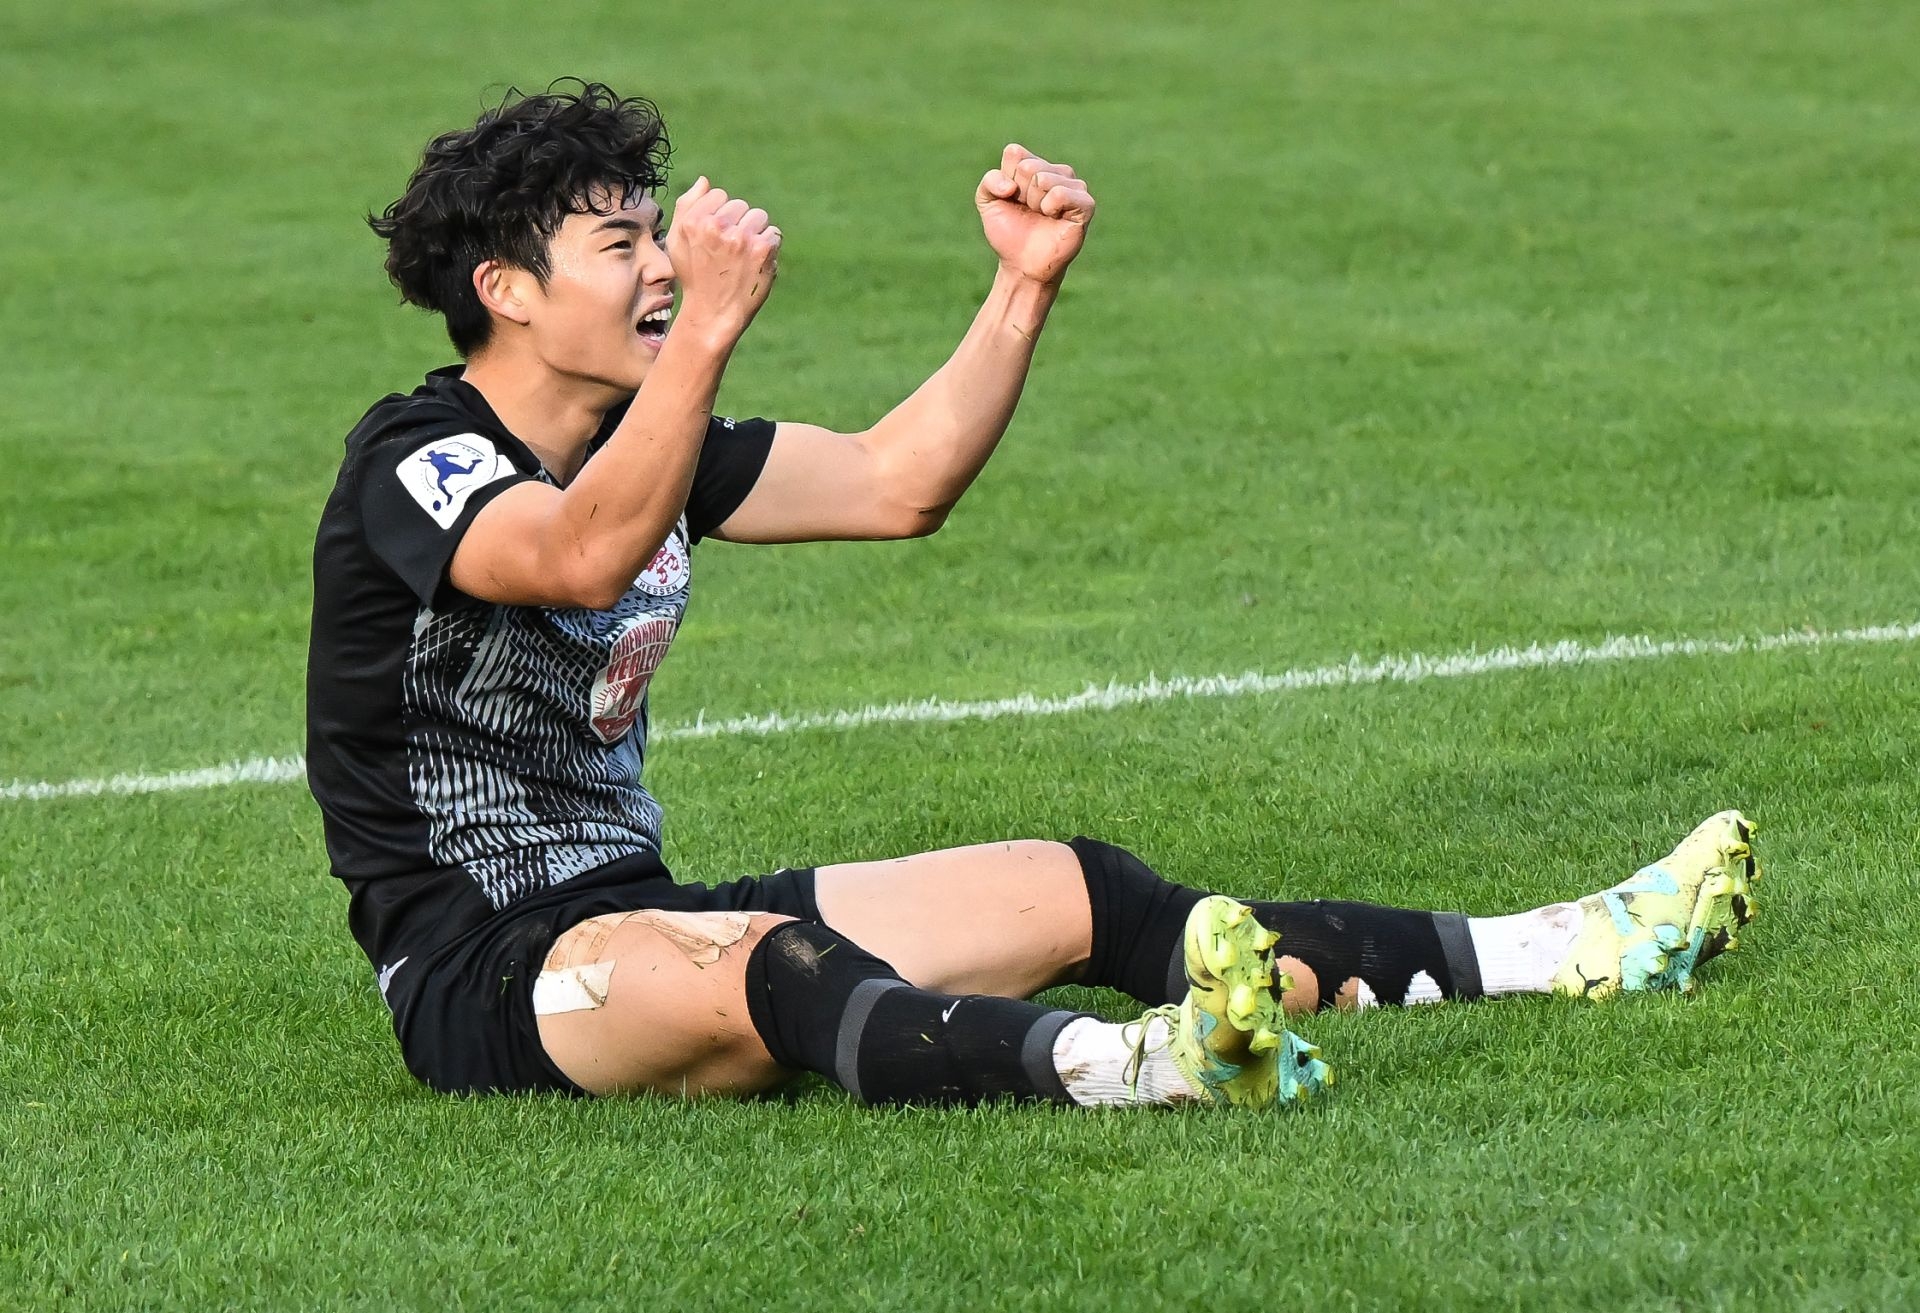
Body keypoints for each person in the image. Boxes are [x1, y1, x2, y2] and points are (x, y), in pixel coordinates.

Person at [306, 82, 1759, 1109]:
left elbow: (897, 482)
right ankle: (1139, 1069)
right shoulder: (417, 458)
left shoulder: (653, 441)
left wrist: (1023, 286)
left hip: (636, 910)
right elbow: (576, 553)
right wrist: (707, 340)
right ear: (505, 289)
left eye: (656, 234)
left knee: (1081, 888)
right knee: (775, 968)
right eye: (620, 245)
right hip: (484, 973)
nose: (664, 268)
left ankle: (1569, 947)